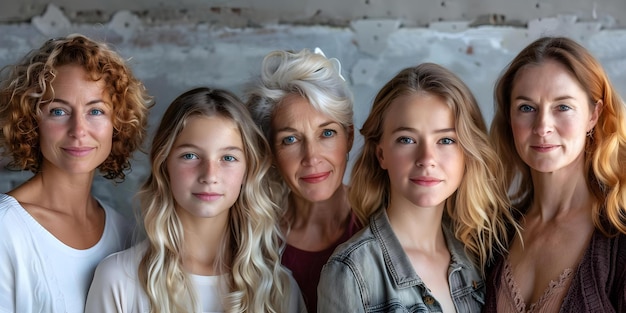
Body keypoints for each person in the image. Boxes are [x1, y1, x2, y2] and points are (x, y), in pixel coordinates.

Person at [318, 63, 520, 312]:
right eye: (407, 139)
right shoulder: (350, 271)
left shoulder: (482, 258)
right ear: (381, 154)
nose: (426, 158)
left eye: (446, 140)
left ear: (467, 153)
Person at [85, 87, 306, 313]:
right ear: (164, 165)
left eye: (228, 157)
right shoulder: (119, 280)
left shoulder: (279, 289)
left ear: (247, 170)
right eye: (190, 156)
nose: (209, 175)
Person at [0, 34, 152, 313]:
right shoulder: (6, 229)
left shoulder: (126, 234)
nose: (79, 130)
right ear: (31, 122)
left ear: (117, 124)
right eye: (58, 111)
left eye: (96, 111)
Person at [484, 36, 626, 312]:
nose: (542, 127)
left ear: (593, 115)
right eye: (527, 108)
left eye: (563, 107)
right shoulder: (494, 234)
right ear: (509, 118)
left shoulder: (619, 235)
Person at [246, 48, 361, 312]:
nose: (311, 157)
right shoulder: (251, 237)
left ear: (350, 138)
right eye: (290, 139)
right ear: (271, 152)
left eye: (327, 133)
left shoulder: (382, 223)